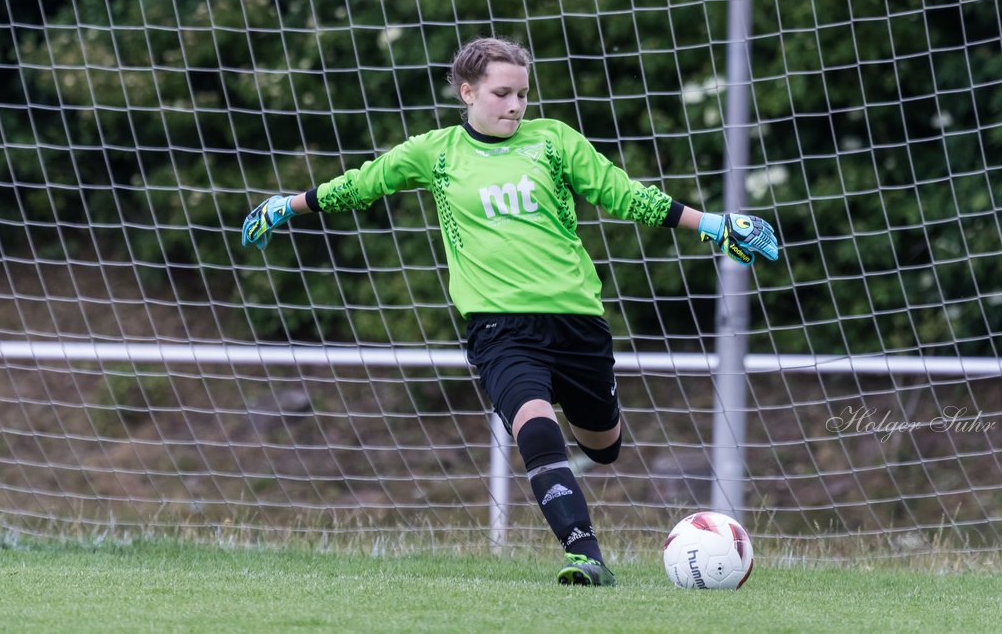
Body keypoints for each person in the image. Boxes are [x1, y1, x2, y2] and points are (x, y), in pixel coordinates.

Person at [240, 37, 779, 586]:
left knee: (605, 445)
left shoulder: (552, 141)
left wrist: (711, 225)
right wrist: (291, 204)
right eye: (502, 93)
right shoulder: (437, 151)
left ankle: (581, 450)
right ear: (468, 91)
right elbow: (363, 184)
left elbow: (624, 195)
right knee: (535, 430)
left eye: (522, 93)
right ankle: (586, 557)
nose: (515, 105)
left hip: (576, 321)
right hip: (499, 327)